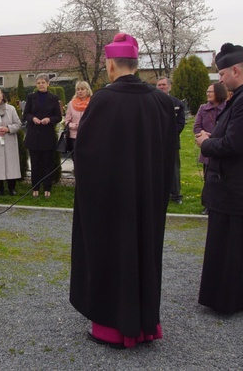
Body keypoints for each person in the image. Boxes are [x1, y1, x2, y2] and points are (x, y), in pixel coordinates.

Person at [70, 33, 176, 348]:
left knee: (112, 257)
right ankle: (144, 325)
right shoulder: (160, 101)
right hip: (147, 200)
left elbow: (86, 154)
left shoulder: (103, 99)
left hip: (111, 203)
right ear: (136, 63)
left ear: (112, 64)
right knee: (143, 255)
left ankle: (110, 329)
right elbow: (169, 152)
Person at [195, 43, 243, 314]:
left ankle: (228, 299)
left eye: (222, 73)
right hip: (239, 186)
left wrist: (206, 143)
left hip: (236, 187)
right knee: (235, 248)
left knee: (231, 249)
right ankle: (240, 295)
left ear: (236, 70)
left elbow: (233, 145)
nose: (220, 79)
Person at [23, 74, 62, 198]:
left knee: (47, 163)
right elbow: (26, 114)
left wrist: (49, 120)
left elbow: (58, 117)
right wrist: (32, 118)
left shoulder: (54, 98)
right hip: (34, 134)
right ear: (36, 84)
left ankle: (47, 187)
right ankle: (35, 187)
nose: (41, 85)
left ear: (48, 84)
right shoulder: (31, 97)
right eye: (38, 83)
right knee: (35, 163)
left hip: (47, 135)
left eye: (43, 82)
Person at [193, 82, 228, 213]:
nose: (208, 94)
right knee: (209, 179)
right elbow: (196, 126)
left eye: (211, 91)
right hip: (208, 148)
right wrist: (202, 135)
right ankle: (208, 205)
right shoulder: (203, 108)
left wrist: (214, 136)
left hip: (222, 147)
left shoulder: (228, 108)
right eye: (207, 91)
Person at [156, 76, 186, 203]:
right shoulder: (152, 102)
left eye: (164, 84)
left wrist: (169, 135)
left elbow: (180, 123)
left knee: (173, 169)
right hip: (155, 142)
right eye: (159, 85)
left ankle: (175, 195)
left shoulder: (177, 103)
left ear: (169, 86)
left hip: (171, 142)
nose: (162, 87)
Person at [63, 81, 92, 167]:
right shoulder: (71, 104)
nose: (80, 91)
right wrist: (75, 126)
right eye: (78, 89)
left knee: (88, 161)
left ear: (87, 90)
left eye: (82, 89)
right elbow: (67, 121)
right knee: (77, 162)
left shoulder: (93, 102)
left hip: (89, 137)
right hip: (74, 137)